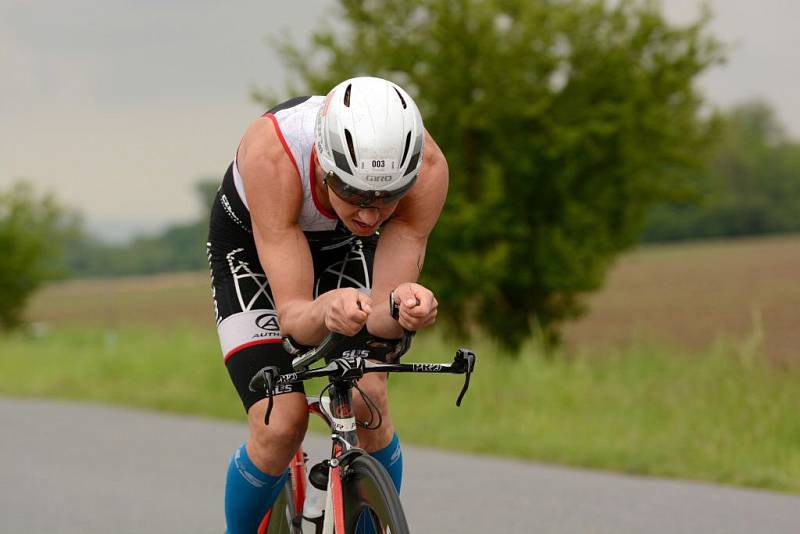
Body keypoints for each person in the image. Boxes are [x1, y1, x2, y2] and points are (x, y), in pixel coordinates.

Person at [206, 76, 449, 533]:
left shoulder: (427, 170)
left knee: (369, 396)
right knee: (281, 423)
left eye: (386, 200)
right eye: (355, 195)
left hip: (342, 248)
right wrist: (326, 309)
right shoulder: (272, 155)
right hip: (253, 250)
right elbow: (296, 319)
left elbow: (381, 317)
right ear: (323, 165)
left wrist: (404, 307)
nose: (369, 216)